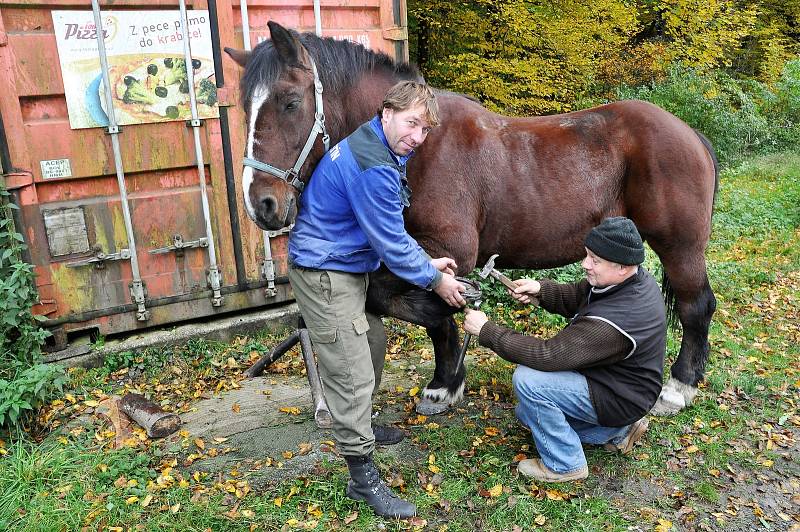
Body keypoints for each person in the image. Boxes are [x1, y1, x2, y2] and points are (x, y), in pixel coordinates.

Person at [288, 81, 466, 517]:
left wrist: (427, 261)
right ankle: (362, 476)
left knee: (371, 341)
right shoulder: (373, 163)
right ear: (386, 112)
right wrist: (435, 279)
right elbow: (389, 241)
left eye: (425, 130)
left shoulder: (377, 144)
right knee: (350, 367)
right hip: (325, 270)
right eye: (411, 124)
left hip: (345, 264)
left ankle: (361, 425)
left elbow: (386, 228)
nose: (417, 138)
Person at [463, 217, 666, 482]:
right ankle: (618, 432)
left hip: (620, 396)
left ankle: (564, 464)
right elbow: (580, 295)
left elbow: (548, 356)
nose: (585, 264)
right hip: (617, 383)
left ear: (623, 266)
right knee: (526, 415)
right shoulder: (626, 281)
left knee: (530, 382)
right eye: (588, 256)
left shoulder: (619, 318)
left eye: (595, 260)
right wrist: (541, 291)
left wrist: (487, 330)